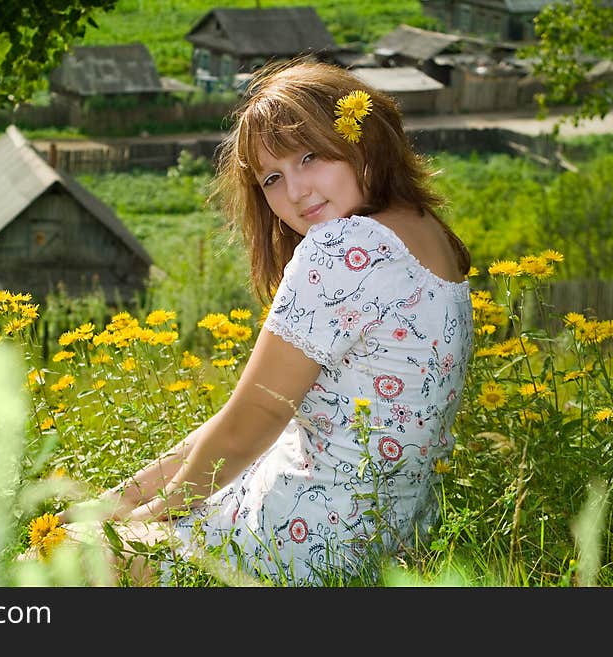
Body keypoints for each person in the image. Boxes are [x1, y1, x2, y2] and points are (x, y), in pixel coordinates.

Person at [61, 57, 473, 586]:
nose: (296, 191)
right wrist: (118, 500)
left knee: (56, 559)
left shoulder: (343, 248)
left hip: (299, 549)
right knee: (86, 531)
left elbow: (252, 420)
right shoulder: (426, 233)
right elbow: (243, 416)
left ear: (361, 141)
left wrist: (139, 520)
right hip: (389, 537)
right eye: (273, 178)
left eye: (311, 156)